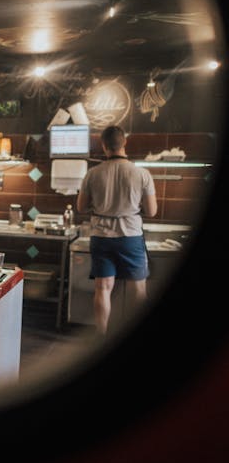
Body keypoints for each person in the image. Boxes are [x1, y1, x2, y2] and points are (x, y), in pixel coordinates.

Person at [76, 125, 157, 336]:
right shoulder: (142, 173)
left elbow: (81, 207)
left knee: (103, 288)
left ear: (104, 146)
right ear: (124, 143)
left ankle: (101, 336)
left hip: (102, 237)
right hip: (130, 237)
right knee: (137, 290)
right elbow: (152, 211)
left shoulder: (92, 174)